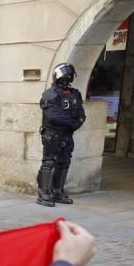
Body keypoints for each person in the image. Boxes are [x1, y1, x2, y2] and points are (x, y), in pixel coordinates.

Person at [37, 63, 86, 207]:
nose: (67, 79)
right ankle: (43, 191)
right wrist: (72, 123)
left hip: (67, 134)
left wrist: (78, 123)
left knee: (64, 162)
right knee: (49, 162)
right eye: (65, 76)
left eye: (69, 77)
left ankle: (58, 190)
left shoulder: (75, 93)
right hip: (52, 134)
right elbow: (54, 116)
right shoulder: (50, 94)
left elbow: (80, 112)